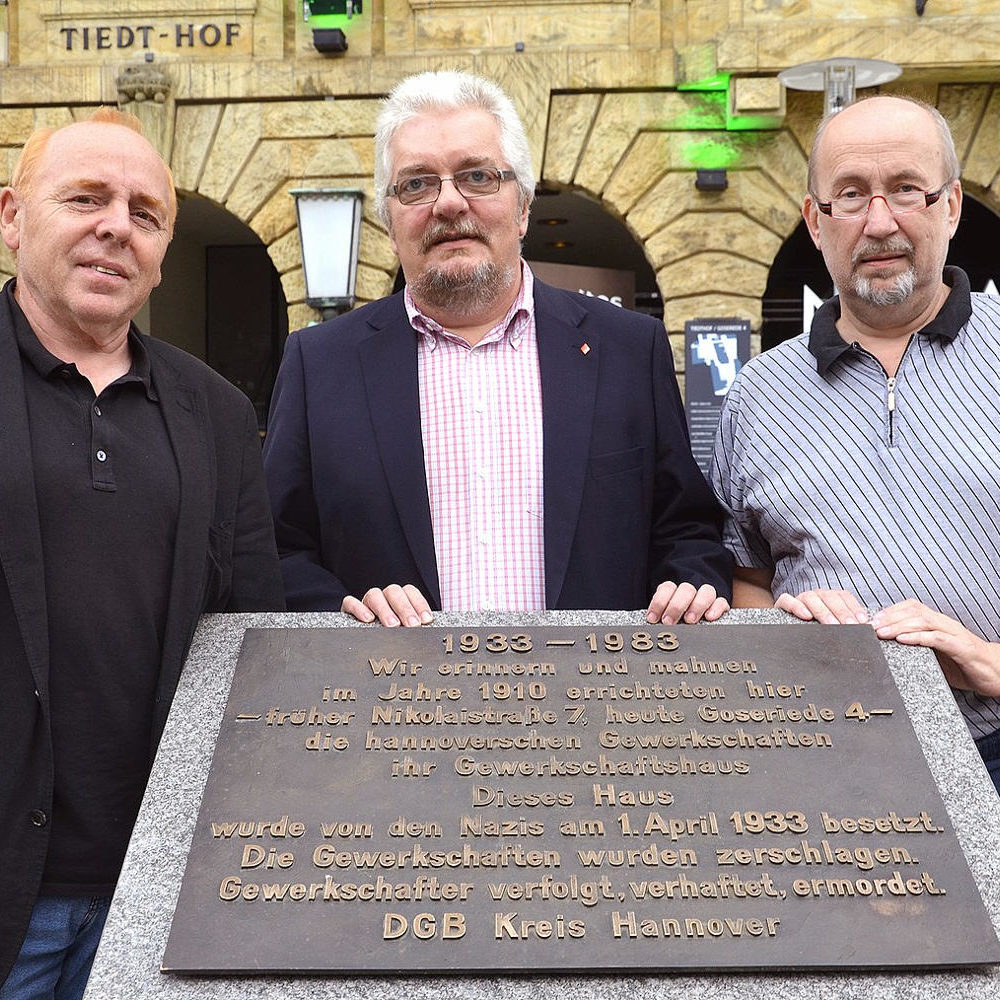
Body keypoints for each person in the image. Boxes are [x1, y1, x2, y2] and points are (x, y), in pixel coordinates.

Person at [263, 70, 731, 627]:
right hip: (391, 704)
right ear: (390, 221)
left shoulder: (628, 349)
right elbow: (274, 552)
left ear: (524, 205)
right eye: (416, 184)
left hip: (592, 701)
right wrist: (340, 612)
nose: (448, 204)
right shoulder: (320, 365)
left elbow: (687, 532)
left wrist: (690, 585)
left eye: (477, 176)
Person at [0, 109, 284, 998]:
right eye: (84, 197)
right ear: (11, 217)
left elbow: (253, 640)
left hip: (156, 896)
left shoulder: (219, 415)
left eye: (145, 212)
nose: (115, 225)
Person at [710, 94, 1000, 791]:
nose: (880, 221)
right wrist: (784, 624)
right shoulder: (758, 393)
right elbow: (742, 576)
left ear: (951, 206)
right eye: (850, 195)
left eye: (906, 190)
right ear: (816, 220)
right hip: (823, 758)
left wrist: (990, 659)